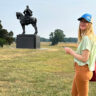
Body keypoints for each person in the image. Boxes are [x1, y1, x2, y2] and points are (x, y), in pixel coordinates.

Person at [64, 13, 96, 96]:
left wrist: (71, 51)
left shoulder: (86, 38)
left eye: (86, 21)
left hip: (83, 71)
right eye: (81, 21)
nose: (82, 23)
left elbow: (84, 58)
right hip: (83, 71)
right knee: (74, 94)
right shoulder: (91, 37)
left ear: (90, 24)